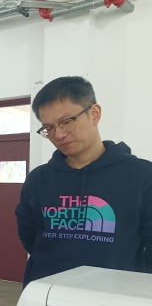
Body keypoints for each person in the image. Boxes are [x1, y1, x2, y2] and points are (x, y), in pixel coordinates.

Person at [16, 75, 152, 286]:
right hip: (46, 294)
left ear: (94, 114)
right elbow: (29, 236)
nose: (59, 135)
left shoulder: (142, 175)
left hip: (115, 298)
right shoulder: (38, 179)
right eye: (49, 128)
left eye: (66, 122)